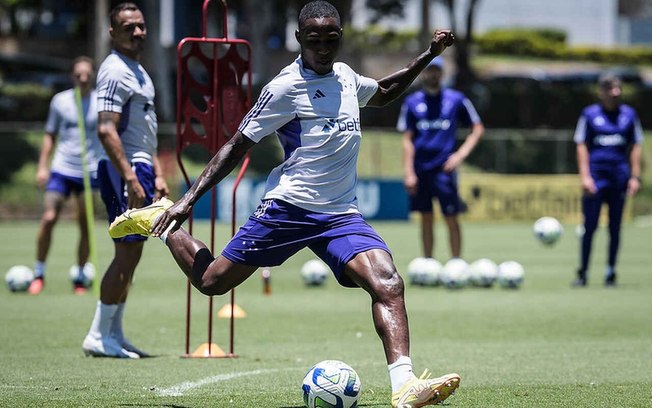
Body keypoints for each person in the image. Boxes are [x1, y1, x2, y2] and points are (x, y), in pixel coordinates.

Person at [110, 1, 460, 406]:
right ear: (299, 39)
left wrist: (428, 56)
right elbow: (235, 146)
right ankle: (162, 219)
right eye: (314, 40)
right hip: (289, 208)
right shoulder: (283, 87)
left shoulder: (345, 77)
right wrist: (187, 201)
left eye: (331, 39)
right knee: (212, 282)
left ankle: (404, 386)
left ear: (340, 37)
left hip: (340, 214)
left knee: (388, 283)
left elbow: (382, 93)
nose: (324, 48)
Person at [82, 2, 169, 358]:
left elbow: (142, 132)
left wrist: (157, 173)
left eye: (141, 26)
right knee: (126, 251)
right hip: (123, 171)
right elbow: (106, 130)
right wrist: (131, 178)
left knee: (132, 254)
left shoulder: (138, 71)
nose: (137, 32)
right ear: (112, 32)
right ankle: (98, 335)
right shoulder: (114, 71)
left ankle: (114, 333)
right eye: (128, 27)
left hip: (139, 167)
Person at [396, 56, 484, 261]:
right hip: (420, 169)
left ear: (442, 74)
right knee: (425, 217)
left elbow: (477, 128)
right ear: (423, 73)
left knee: (451, 216)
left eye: (436, 70)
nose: (433, 74)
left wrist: (460, 155)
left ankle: (456, 263)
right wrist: (408, 171)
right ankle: (428, 263)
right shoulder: (411, 102)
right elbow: (407, 139)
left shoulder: (456, 99)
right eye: (429, 70)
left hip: (445, 169)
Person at [28, 56, 102, 296]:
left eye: (87, 74)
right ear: (72, 76)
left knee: (85, 225)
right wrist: (42, 166)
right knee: (49, 218)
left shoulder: (101, 102)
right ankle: (38, 273)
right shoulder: (60, 101)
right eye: (78, 74)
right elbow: (50, 134)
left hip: (89, 171)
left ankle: (80, 277)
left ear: (93, 75)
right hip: (62, 169)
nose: (83, 78)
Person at [572, 74, 643, 287]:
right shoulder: (590, 114)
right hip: (596, 178)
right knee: (590, 227)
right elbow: (581, 144)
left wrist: (635, 176)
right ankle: (583, 273)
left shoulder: (629, 115)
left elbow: (636, 146)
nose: (616, 92)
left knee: (615, 228)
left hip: (619, 178)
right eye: (611, 88)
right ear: (601, 92)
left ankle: (611, 272)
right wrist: (585, 176)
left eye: (618, 88)